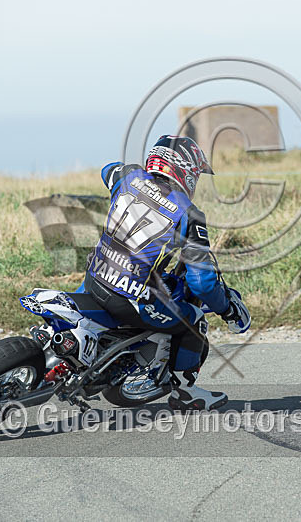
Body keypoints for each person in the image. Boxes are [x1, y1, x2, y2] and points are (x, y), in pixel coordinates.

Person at [84, 135, 250, 411]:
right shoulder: (188, 213)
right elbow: (203, 283)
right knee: (193, 321)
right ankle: (185, 394)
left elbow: (108, 169)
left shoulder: (127, 176)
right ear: (182, 170)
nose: (195, 181)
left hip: (94, 277)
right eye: (194, 174)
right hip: (129, 295)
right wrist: (227, 309)